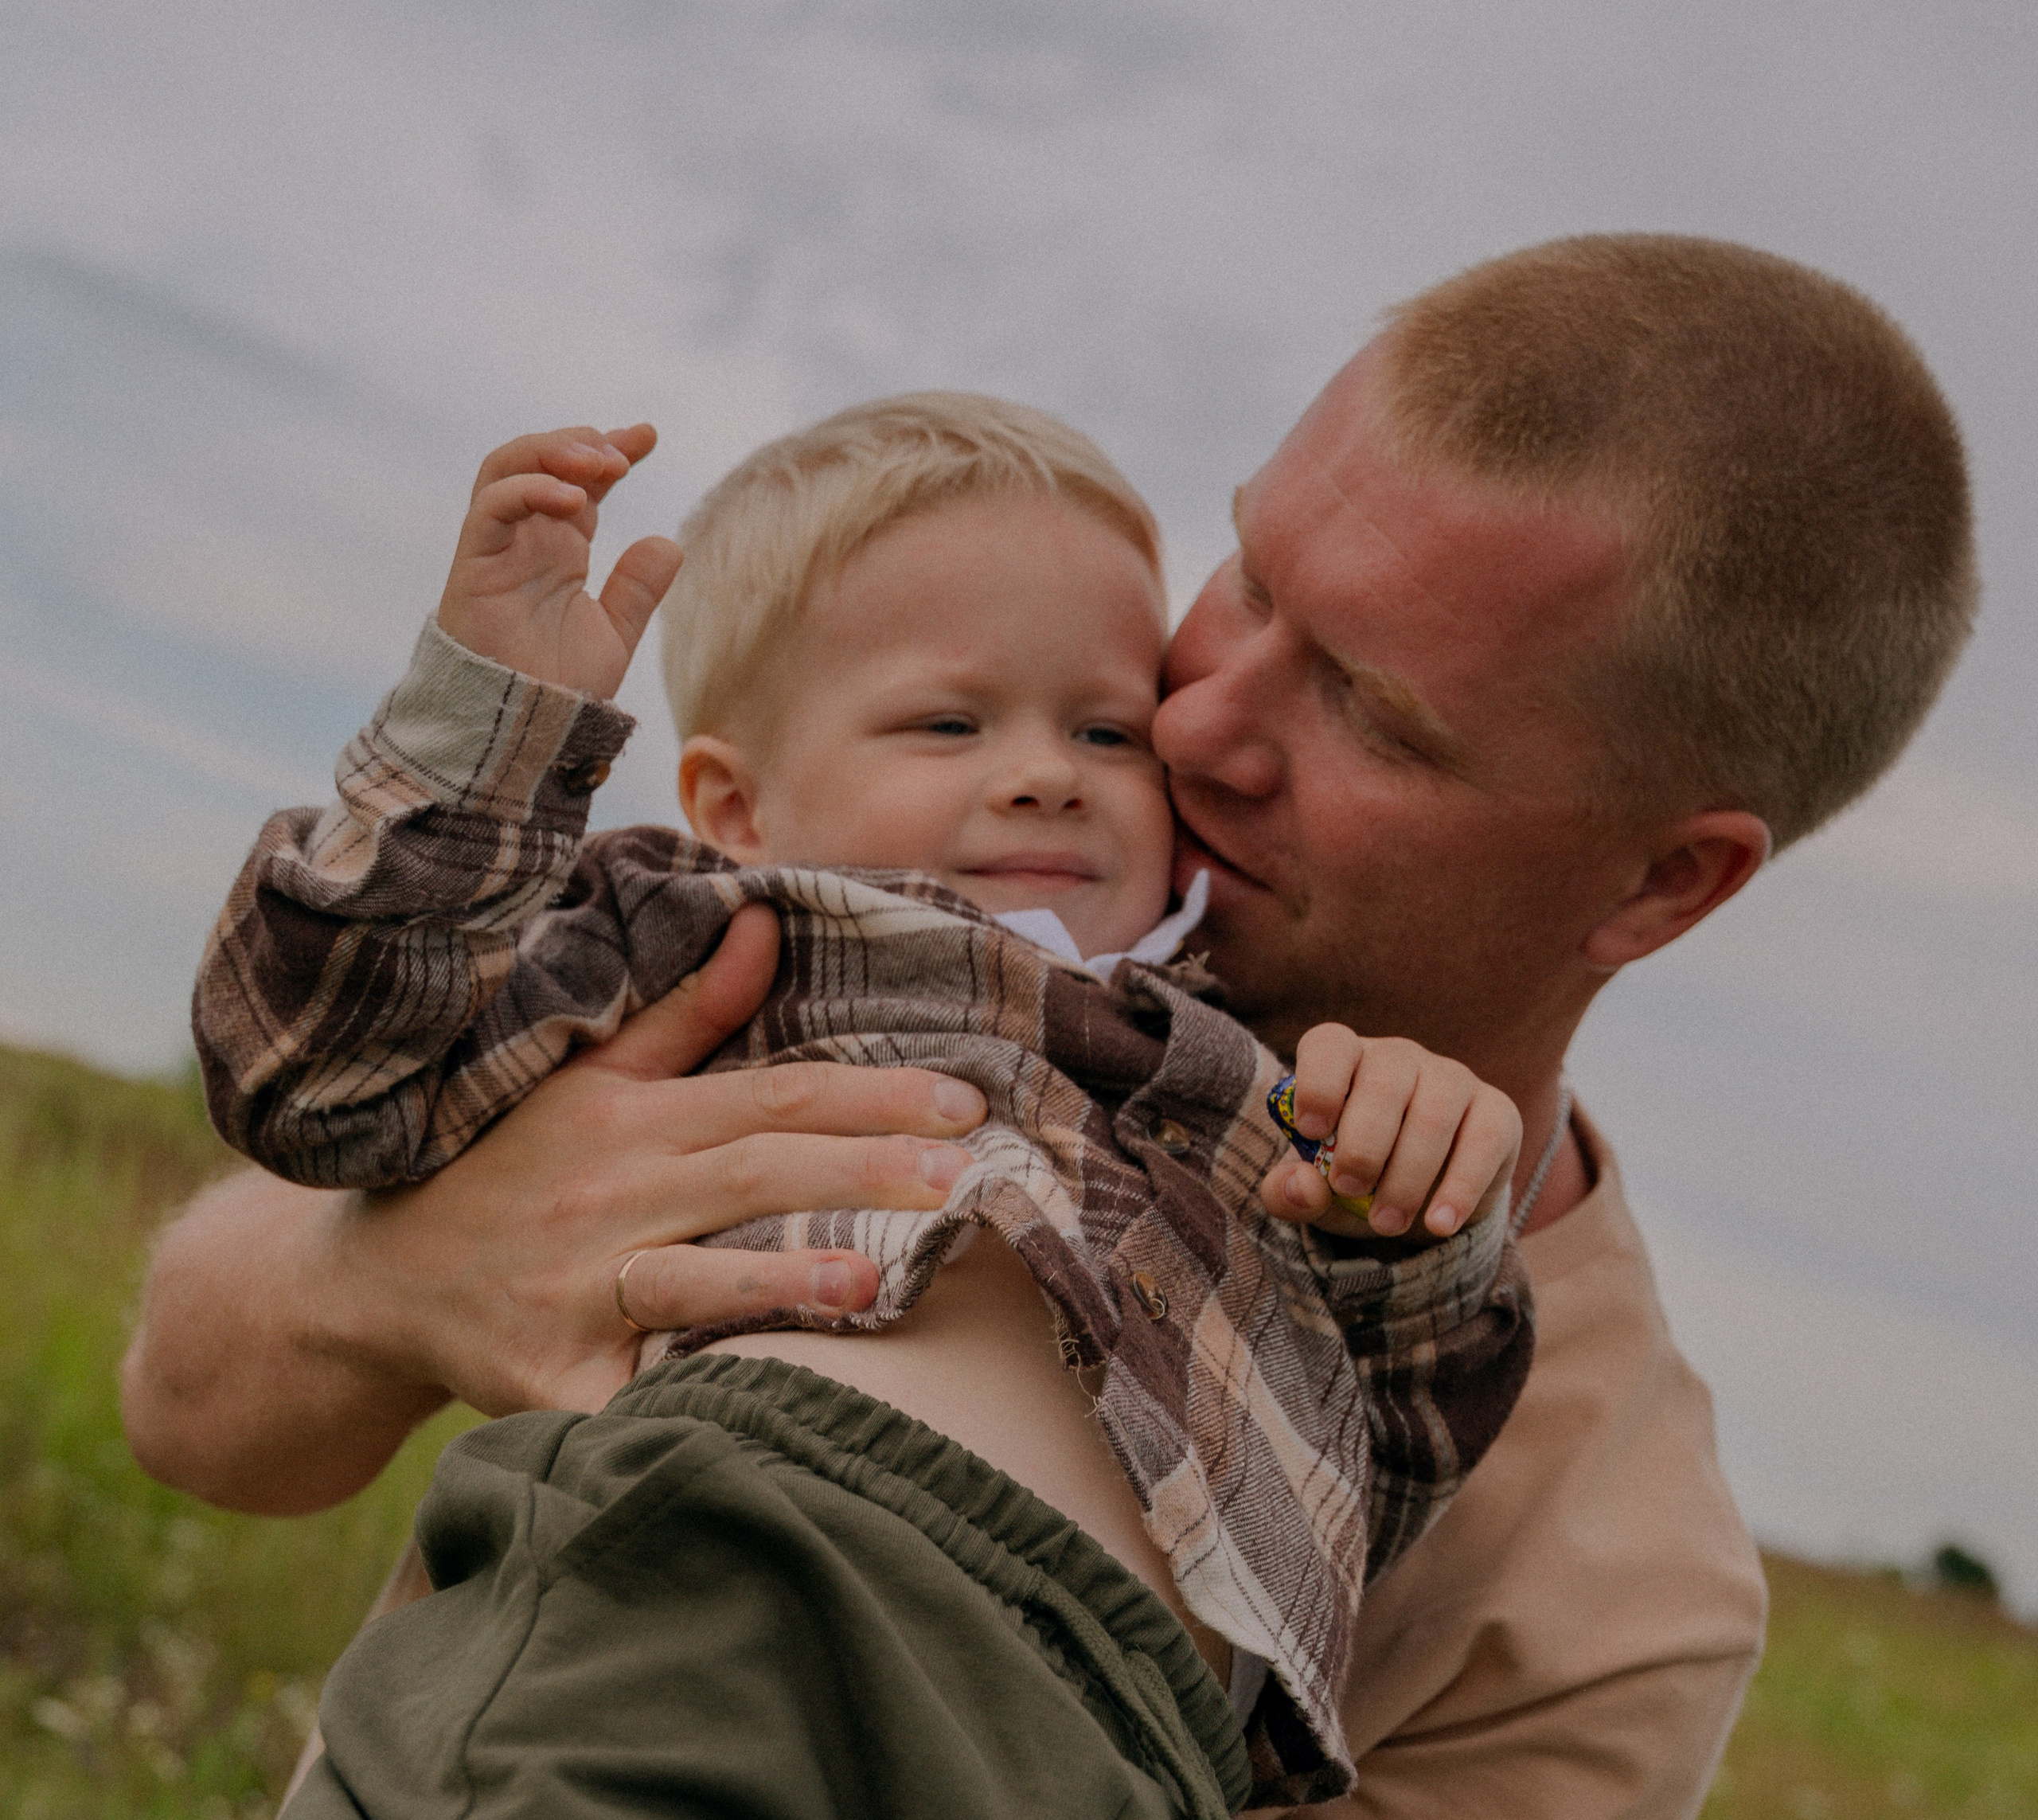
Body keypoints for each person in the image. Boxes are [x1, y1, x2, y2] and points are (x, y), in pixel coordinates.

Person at [123, 234, 1977, 1817]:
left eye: (1372, 715)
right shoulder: (834, 953)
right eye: (1248, 577)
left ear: (1663, 885)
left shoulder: (1609, 1596)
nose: (1186, 727)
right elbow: (192, 1421)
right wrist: (403, 1278)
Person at [189, 391, 1532, 1811]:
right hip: (734, 1536)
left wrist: (1426, 1216)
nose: (1041, 778)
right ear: (741, 802)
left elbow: (1383, 1460)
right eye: (948, 721)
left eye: (1106, 732)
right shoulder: (688, 930)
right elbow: (310, 1082)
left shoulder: (1247, 1072)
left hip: (1111, 1720)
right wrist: (483, 746)